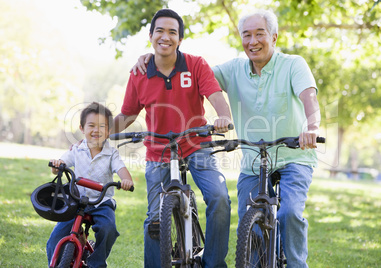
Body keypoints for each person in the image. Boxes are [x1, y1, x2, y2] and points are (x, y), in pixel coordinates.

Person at [133, 9, 321, 268]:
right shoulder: (233, 69)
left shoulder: (293, 64)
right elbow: (189, 74)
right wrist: (155, 57)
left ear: (274, 37)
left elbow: (309, 97)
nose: (253, 41)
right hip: (254, 160)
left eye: (260, 34)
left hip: (294, 155)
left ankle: (297, 265)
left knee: (289, 213)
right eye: (247, 35)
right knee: (250, 220)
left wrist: (312, 127)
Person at [112, 9, 232, 268]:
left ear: (180, 39)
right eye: (160, 31)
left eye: (172, 32)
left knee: (220, 198)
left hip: (196, 145)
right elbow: (128, 113)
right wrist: (101, 133)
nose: (165, 36)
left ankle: (213, 263)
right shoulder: (139, 73)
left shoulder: (195, 64)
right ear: (151, 35)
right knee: (154, 217)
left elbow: (215, 93)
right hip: (158, 151)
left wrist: (223, 116)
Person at [47, 102, 134, 268]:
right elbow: (61, 164)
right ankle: (55, 263)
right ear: (82, 128)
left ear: (109, 131)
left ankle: (97, 262)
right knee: (55, 237)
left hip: (101, 202)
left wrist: (126, 180)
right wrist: (57, 165)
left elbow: (122, 170)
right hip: (76, 201)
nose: (96, 130)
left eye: (102, 126)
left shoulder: (112, 154)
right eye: (91, 125)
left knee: (108, 228)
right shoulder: (77, 149)